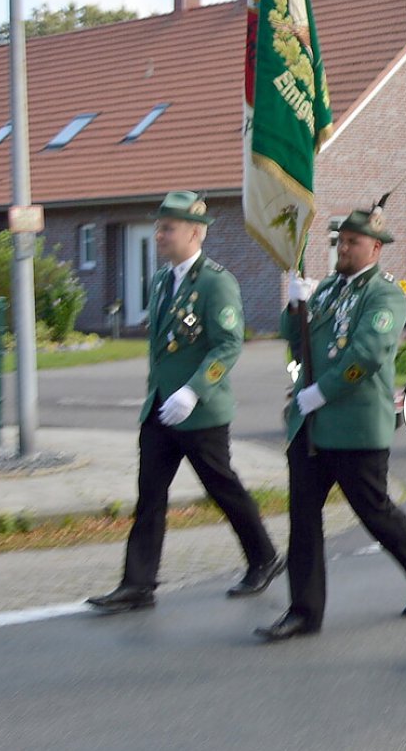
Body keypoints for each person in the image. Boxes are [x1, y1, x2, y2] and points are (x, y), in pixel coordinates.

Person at [86, 191, 282, 615]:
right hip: (160, 408)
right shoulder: (162, 280)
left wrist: (194, 390)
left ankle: (264, 556)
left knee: (221, 487)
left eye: (167, 228)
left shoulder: (216, 282)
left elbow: (228, 344)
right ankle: (137, 584)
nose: (158, 235)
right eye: (158, 227)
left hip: (199, 410)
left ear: (195, 232)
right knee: (150, 496)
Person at [259, 196, 406, 642]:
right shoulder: (326, 290)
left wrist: (323, 392)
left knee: (373, 511)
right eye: (340, 241)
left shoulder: (384, 294)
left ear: (376, 249)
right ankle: (304, 610)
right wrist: (294, 305)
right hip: (311, 427)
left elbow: (368, 354)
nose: (343, 249)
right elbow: (293, 340)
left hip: (355, 425)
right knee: (303, 517)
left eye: (353, 242)